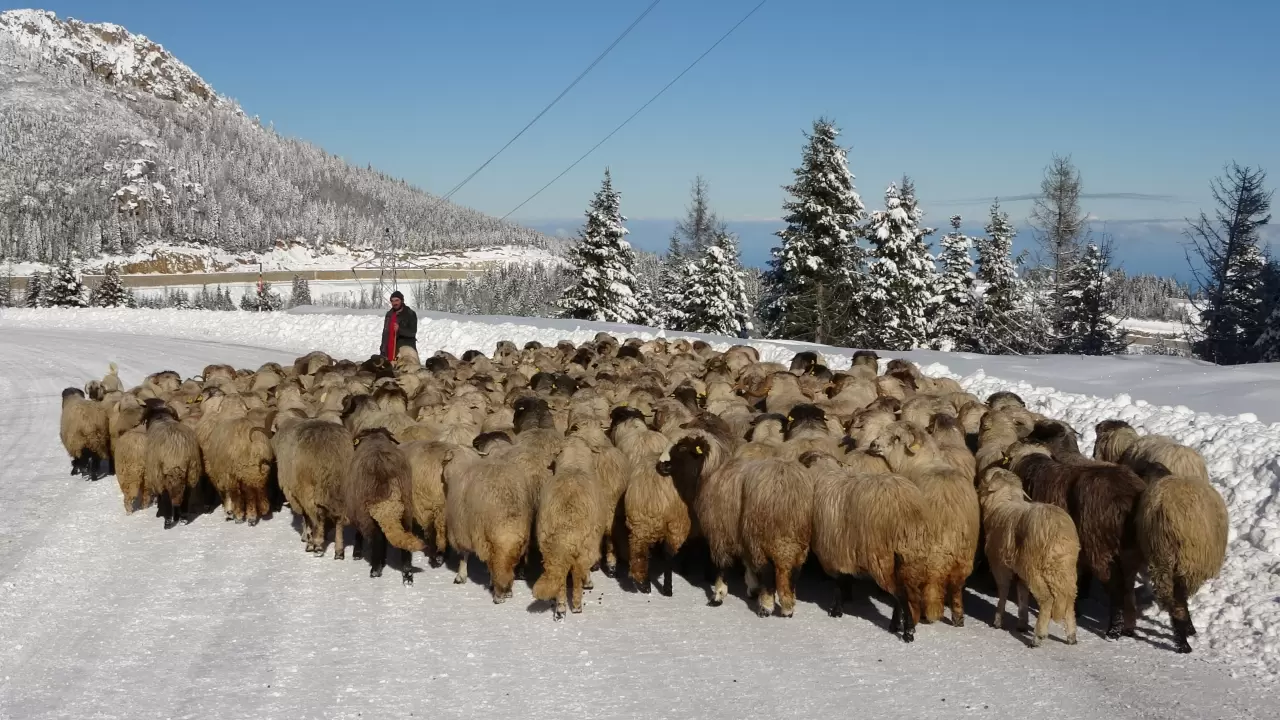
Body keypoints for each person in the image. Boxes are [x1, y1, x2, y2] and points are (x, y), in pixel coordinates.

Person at [380, 291, 417, 362]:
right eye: (392, 301)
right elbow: (385, 333)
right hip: (389, 350)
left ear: (402, 301)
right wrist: (383, 349)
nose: (394, 303)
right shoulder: (389, 314)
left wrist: (399, 329)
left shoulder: (410, 314)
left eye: (397, 300)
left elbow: (412, 332)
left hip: (404, 350)